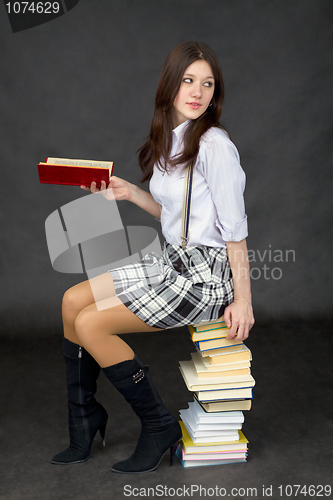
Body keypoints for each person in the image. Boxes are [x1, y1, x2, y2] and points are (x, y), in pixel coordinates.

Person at [51, 41, 255, 474]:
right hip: (171, 262)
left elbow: (233, 233)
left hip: (203, 278)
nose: (197, 92)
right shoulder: (172, 139)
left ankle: (157, 424)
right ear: (171, 85)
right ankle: (84, 421)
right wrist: (130, 193)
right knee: (72, 301)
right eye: (188, 81)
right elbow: (180, 218)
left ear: (215, 93)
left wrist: (244, 300)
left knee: (91, 323)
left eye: (207, 84)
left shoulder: (215, 146)